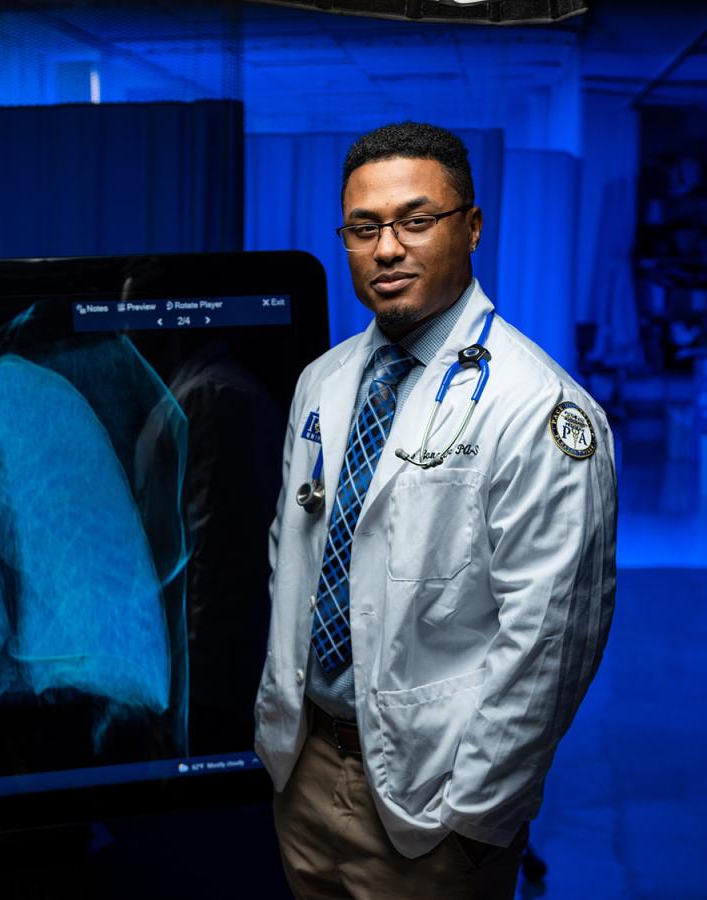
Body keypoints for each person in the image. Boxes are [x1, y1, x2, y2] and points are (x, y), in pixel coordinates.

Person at [254, 121, 617, 899]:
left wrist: (475, 818)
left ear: (472, 227)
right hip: (304, 769)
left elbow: (549, 641)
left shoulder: (538, 407)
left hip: (433, 805)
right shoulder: (323, 382)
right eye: (364, 227)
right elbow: (292, 555)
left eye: (416, 221)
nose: (388, 249)